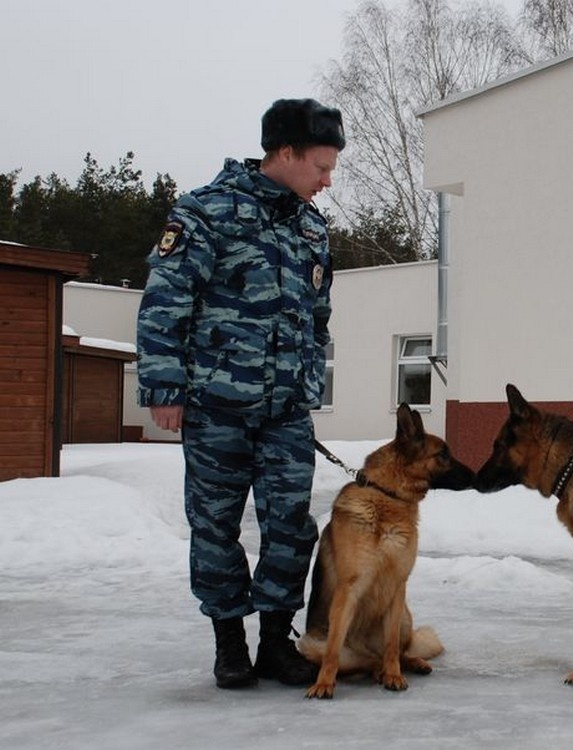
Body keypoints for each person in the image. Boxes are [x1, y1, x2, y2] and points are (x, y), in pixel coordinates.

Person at [136, 98, 345, 689]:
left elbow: (318, 316)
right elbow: (164, 304)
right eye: (321, 167)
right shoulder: (206, 213)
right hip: (215, 406)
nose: (327, 181)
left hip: (285, 413)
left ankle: (276, 642)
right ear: (285, 153)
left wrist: (306, 381)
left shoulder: (310, 226)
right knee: (214, 526)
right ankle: (230, 642)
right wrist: (164, 385)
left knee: (290, 526)